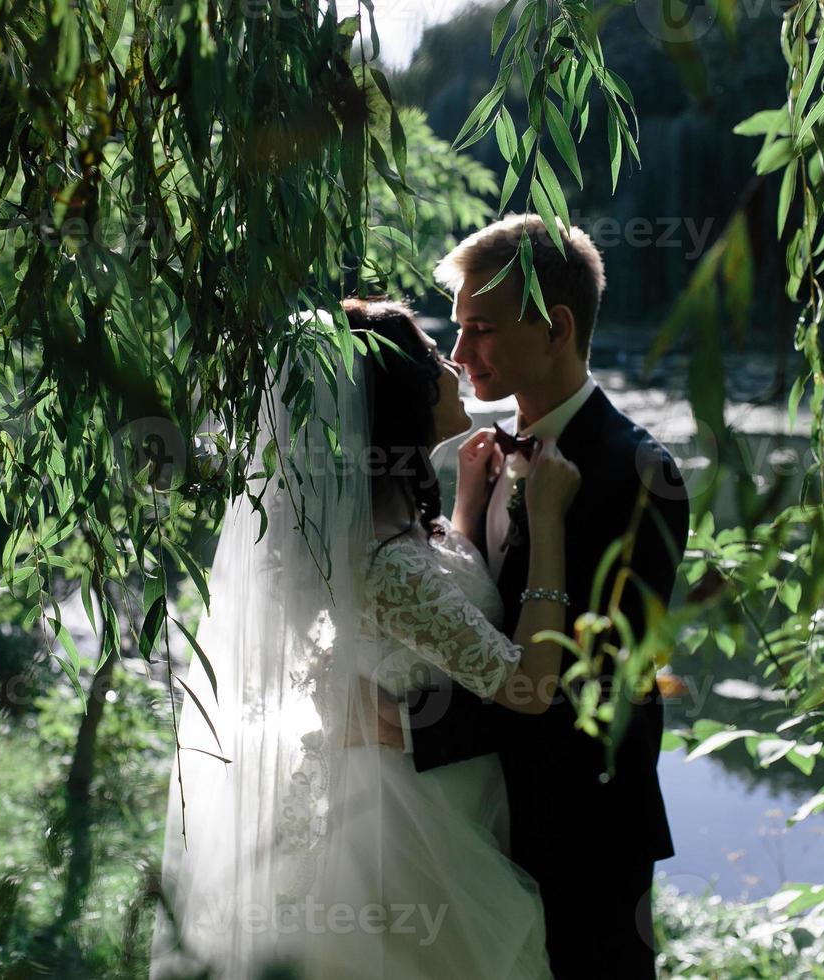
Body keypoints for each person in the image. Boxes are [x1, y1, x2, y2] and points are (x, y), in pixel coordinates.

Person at [151, 297, 581, 979]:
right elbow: (526, 689)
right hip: (409, 834)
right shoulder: (384, 560)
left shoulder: (390, 530)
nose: (455, 367)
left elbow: (437, 612)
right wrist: (549, 521)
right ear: (400, 396)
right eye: (438, 357)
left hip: (429, 791)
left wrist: (466, 504)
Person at [375, 215, 690, 979]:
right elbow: (466, 617)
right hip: (471, 830)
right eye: (456, 330)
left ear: (556, 327)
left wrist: (408, 728)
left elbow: (593, 691)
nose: (457, 355)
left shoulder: (641, 474)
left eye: (480, 329)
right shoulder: (481, 458)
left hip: (584, 840)